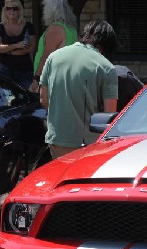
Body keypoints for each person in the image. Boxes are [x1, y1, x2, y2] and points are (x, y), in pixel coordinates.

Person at [39, 20, 119, 159]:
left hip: (56, 140)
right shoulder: (107, 67)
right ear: (106, 46)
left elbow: (43, 99)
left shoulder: (53, 57)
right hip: (88, 145)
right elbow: (109, 116)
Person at [29, 0, 78, 94]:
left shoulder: (55, 29)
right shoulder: (71, 29)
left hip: (53, 81)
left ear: (51, 10)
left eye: (45, 7)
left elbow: (46, 56)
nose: (43, 10)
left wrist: (36, 78)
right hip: (68, 78)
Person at [0, 0, 36, 89]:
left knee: (27, 97)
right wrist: (17, 45)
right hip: (5, 68)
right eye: (8, 8)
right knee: (7, 97)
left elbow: (31, 48)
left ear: (20, 10)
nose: (11, 11)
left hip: (25, 69)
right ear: (5, 11)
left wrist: (8, 51)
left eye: (15, 8)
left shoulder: (28, 26)